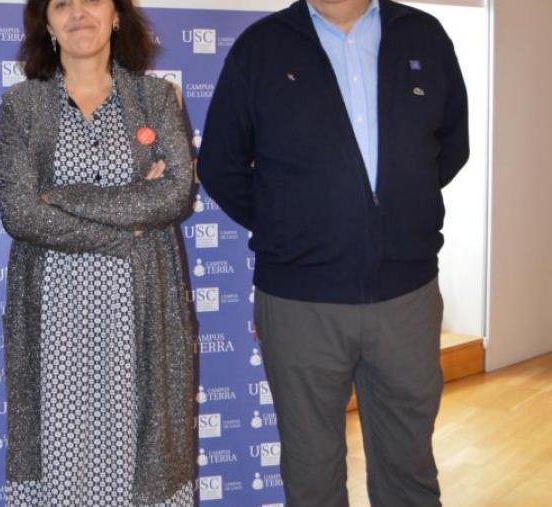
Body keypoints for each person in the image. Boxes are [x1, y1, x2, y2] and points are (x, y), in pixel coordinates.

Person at [198, 0, 468, 505]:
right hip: (300, 304)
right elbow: (219, 164)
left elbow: (451, 146)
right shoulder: (261, 47)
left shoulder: (424, 35)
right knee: (312, 474)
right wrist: (288, 224)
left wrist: (393, 215)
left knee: (409, 469)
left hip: (406, 298)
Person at [0, 0, 196, 504]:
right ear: (46, 22)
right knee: (62, 451)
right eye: (61, 3)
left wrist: (63, 196)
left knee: (141, 447)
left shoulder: (156, 98)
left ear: (117, 16)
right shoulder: (22, 105)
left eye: (92, 0)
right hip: (55, 314)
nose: (78, 12)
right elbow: (21, 214)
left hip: (140, 302)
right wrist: (128, 229)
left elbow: (173, 193)